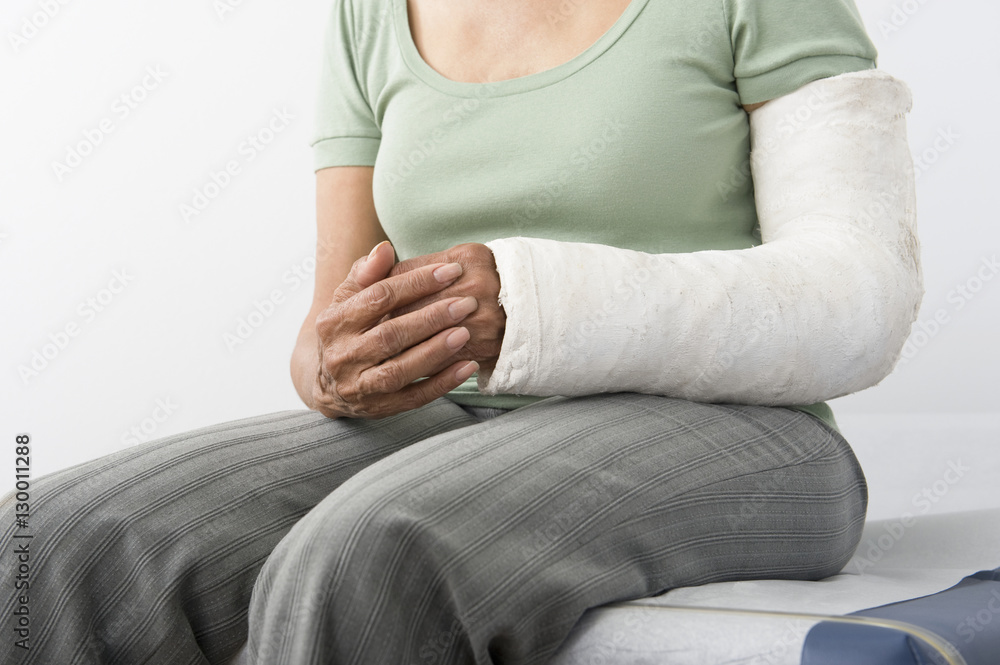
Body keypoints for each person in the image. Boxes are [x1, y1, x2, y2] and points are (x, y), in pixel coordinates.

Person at [0, 0, 923, 663]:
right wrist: (331, 366)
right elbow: (328, 325)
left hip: (749, 433)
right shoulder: (369, 13)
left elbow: (860, 297)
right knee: (46, 541)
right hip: (458, 417)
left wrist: (536, 300)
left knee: (363, 560)